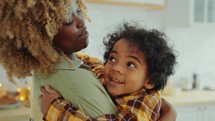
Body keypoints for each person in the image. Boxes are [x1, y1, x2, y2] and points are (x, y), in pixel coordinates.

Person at [0, 0, 118, 121]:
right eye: (68, 19)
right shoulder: (74, 80)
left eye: (78, 11)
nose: (81, 22)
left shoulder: (49, 69)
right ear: (41, 33)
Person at [40, 23, 177, 121]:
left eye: (130, 64)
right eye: (112, 58)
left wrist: (55, 109)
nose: (116, 67)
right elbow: (95, 64)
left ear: (150, 80)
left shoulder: (143, 102)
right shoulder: (111, 76)